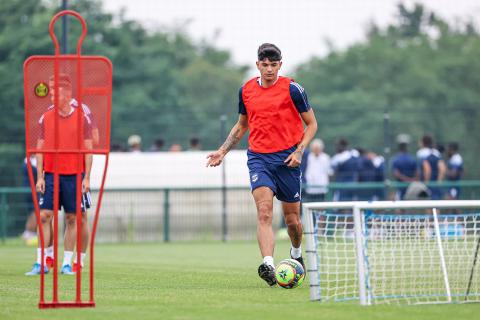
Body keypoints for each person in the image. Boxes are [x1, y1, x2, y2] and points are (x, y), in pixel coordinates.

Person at [206, 43, 317, 286]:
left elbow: (312, 124)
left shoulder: (293, 89)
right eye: (264, 65)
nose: (269, 69)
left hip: (288, 159)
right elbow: (242, 125)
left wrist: (299, 151)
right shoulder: (246, 90)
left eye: (273, 65)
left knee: (292, 220)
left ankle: (296, 254)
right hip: (259, 159)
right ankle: (268, 264)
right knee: (264, 212)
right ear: (257, 65)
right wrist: (222, 151)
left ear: (280, 65)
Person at [26, 74, 93, 276]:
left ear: (67, 92)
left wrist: (87, 177)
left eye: (56, 90)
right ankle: (41, 262)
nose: (52, 94)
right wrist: (40, 176)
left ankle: (68, 263)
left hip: (74, 175)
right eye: (51, 89)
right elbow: (39, 149)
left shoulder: (82, 116)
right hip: (51, 175)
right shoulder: (45, 117)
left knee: (74, 218)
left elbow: (89, 150)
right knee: (45, 216)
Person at [417, 135, 446, 200]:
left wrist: (425, 184)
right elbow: (442, 168)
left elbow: (427, 169)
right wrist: (439, 181)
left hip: (427, 183)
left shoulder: (421, 153)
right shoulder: (436, 152)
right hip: (435, 183)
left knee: (427, 205)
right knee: (436, 205)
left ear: (422, 142)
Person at [391, 134, 417, 200]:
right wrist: (411, 180)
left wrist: (405, 180)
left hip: (400, 186)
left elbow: (396, 173)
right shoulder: (412, 158)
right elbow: (417, 173)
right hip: (411, 187)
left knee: (400, 206)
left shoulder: (395, 159)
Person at [21, 155, 38, 245]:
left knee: (33, 211)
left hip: (33, 189)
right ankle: (30, 233)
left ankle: (29, 232)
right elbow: (35, 171)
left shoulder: (30, 161)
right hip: (30, 190)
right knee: (34, 212)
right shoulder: (28, 161)